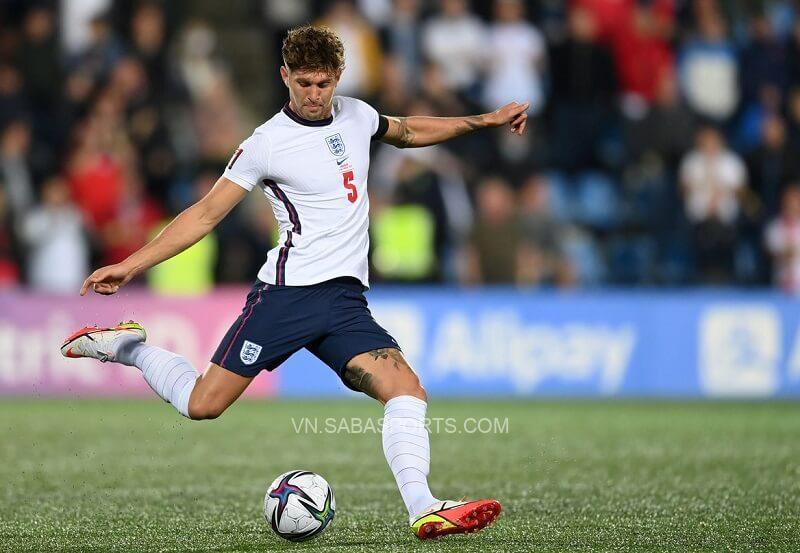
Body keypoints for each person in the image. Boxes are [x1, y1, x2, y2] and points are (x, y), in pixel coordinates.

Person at [60, 25, 528, 540]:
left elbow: (410, 131)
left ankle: (424, 507)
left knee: (408, 392)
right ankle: (129, 346)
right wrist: (132, 264)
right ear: (285, 76)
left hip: (345, 301)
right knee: (203, 405)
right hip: (286, 297)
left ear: (338, 78)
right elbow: (206, 214)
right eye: (303, 82)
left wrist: (485, 119)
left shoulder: (356, 114)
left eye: (323, 83)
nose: (313, 94)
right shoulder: (265, 144)